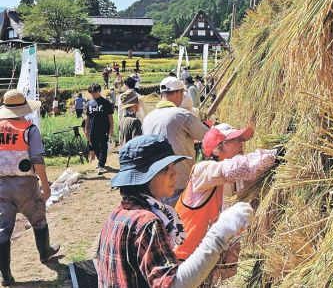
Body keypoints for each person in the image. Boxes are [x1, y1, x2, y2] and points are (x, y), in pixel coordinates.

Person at [96, 134, 254, 288]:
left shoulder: (119, 213)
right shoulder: (147, 223)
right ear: (144, 177)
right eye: (165, 169)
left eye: (173, 166)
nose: (175, 173)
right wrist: (220, 233)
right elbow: (174, 284)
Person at [174, 124, 278, 265]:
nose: (241, 144)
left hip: (213, 260)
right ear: (217, 149)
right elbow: (240, 167)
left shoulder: (236, 180)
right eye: (235, 140)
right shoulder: (202, 171)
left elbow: (254, 173)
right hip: (186, 258)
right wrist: (273, 154)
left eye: (241, 140)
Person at [0, 90, 60, 286]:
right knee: (37, 217)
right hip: (25, 183)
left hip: (1, 184)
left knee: (2, 230)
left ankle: (6, 276)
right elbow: (37, 160)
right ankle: (45, 253)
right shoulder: (29, 129)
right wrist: (45, 184)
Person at [142, 76, 209, 206]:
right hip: (178, 183)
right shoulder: (181, 114)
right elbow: (207, 136)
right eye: (183, 93)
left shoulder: (148, 118)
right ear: (178, 93)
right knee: (181, 223)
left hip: (154, 185)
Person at [84, 83, 114, 175]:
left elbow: (110, 116)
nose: (93, 94)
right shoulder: (89, 103)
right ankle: (100, 161)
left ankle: (101, 164)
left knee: (103, 147)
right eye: (92, 93)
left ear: (99, 91)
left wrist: (111, 128)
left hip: (104, 128)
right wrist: (86, 129)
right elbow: (88, 117)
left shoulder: (106, 102)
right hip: (93, 129)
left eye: (95, 92)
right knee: (94, 146)